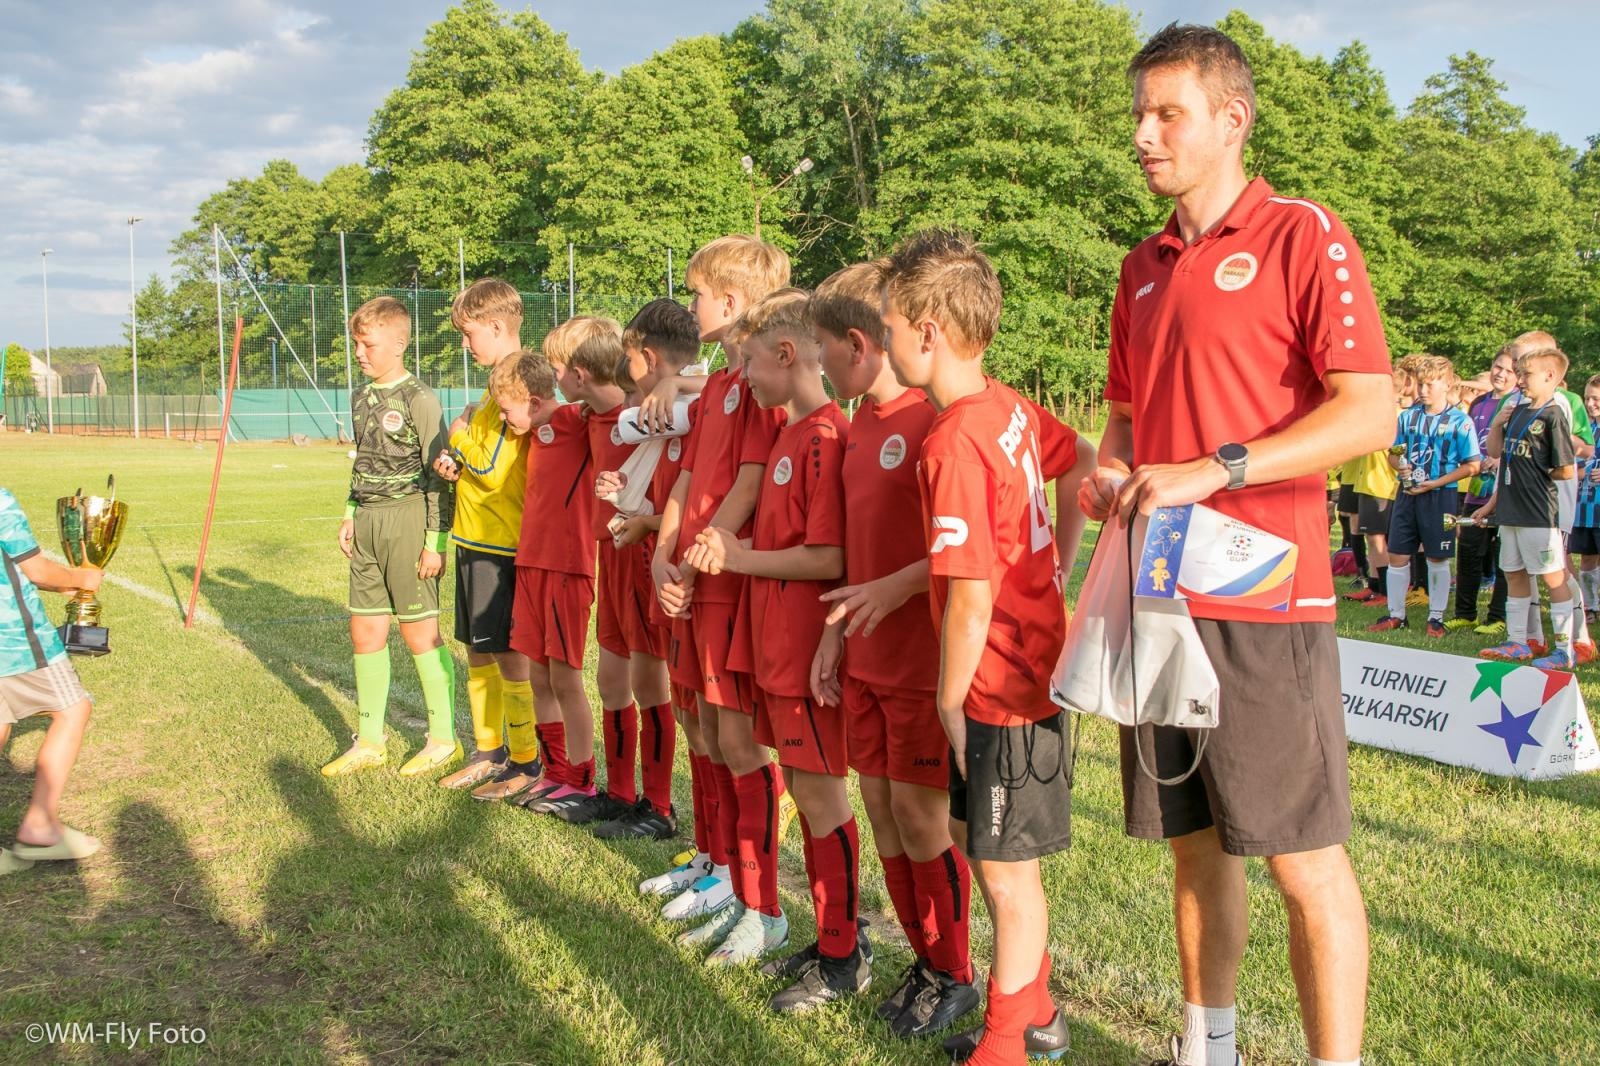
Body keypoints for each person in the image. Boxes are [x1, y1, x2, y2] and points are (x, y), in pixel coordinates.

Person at [1080, 23, 1394, 1066]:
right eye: (1137, 113)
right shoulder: (1140, 266)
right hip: (1159, 593)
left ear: (1231, 117)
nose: (1142, 133)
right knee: (1194, 846)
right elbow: (1124, 421)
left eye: (1165, 112)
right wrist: (1107, 469)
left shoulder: (1304, 234)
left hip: (1266, 594)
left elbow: (1368, 415)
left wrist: (1220, 467)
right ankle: (1204, 1047)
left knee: (1301, 860)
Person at [883, 230, 1095, 1065]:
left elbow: (970, 592)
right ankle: (1035, 1012)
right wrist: (1055, 567)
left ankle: (1006, 1044)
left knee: (1008, 876)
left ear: (928, 331)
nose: (892, 339)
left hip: (1001, 685)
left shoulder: (957, 439)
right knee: (994, 855)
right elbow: (1076, 459)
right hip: (1024, 666)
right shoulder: (1006, 408)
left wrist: (948, 699)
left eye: (893, 324)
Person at [806, 262, 978, 1035]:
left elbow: (961, 547)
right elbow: (853, 553)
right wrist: (832, 635)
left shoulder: (931, 417)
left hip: (917, 660)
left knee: (921, 816)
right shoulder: (857, 427)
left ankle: (957, 971)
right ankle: (923, 958)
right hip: (865, 657)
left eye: (822, 350)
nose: (816, 366)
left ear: (859, 343)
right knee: (880, 810)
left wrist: (894, 592)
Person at [686, 287, 864, 991]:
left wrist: (739, 554)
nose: (745, 376)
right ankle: (827, 941)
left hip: (803, 648)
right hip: (772, 644)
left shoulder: (824, 436)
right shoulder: (790, 432)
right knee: (803, 789)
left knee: (823, 800)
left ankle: (845, 953)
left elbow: (828, 559)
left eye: (752, 362)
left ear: (786, 356)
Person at [651, 235, 794, 934]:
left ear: (732, 302)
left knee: (738, 742)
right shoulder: (717, 385)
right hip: (689, 575)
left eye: (697, 293)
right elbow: (686, 473)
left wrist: (706, 546)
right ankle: (714, 863)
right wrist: (663, 552)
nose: (691, 304)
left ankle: (758, 898)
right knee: (699, 725)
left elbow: (752, 477)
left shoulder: (762, 383)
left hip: (727, 581)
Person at [324, 297, 457, 778]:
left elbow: (441, 475)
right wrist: (350, 512)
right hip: (368, 523)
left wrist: (434, 543)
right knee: (364, 630)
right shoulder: (361, 397)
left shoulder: (419, 399)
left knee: (418, 630)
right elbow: (364, 459)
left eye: (368, 344)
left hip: (407, 520)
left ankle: (443, 738)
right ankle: (371, 741)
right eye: (356, 343)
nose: (360, 352)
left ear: (399, 344)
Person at [492, 321, 618, 809]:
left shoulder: (575, 419)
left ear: (535, 399)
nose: (504, 419)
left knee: (566, 678)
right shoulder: (533, 430)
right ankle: (555, 771)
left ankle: (583, 780)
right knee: (538, 676)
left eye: (508, 410)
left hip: (569, 567)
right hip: (530, 566)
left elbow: (614, 405)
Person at [595, 299, 705, 842]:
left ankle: (662, 807)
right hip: (645, 557)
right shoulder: (662, 410)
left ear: (644, 355)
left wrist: (681, 385)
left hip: (676, 568)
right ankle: (638, 800)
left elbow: (704, 499)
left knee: (686, 703)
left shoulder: (704, 404)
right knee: (672, 698)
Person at [433, 279, 533, 791]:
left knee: (507, 653)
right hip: (472, 538)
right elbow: (481, 457)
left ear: (497, 327)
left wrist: (458, 434)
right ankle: (488, 749)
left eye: (470, 334)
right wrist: (459, 455)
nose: (466, 345)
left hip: (501, 542)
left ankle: (523, 759)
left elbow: (494, 468)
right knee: (476, 648)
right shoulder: (492, 385)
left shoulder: (516, 381)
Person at [0, 488, 103, 874]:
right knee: (73, 708)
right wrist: (80, 578)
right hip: (14, 639)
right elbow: (37, 570)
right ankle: (40, 825)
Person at [1475, 347, 1578, 669]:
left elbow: (1565, 468)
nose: (1519, 380)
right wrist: (1496, 425)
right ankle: (1518, 641)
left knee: (1553, 578)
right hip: (1510, 510)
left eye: (1526, 374)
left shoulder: (1553, 415)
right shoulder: (1516, 411)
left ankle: (1565, 649)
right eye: (1518, 374)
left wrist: (1533, 474)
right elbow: (1497, 453)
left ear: (1550, 376)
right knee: (1514, 573)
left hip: (1538, 514)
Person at [1367, 355, 1480, 637]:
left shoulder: (1460, 421)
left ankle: (1436, 618)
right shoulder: (1408, 417)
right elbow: (1393, 453)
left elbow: (1472, 465)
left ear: (1447, 384)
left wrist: (1436, 482)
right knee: (1397, 553)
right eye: (1421, 383)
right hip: (1407, 494)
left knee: (1438, 557)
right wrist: (1402, 468)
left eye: (1430, 384)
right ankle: (1396, 614)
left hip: (1441, 497)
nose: (1424, 389)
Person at [1447, 348, 1518, 633]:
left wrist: (1500, 458)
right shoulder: (1478, 403)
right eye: (1497, 366)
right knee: (1467, 551)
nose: (1500, 373)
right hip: (1477, 489)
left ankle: (1498, 617)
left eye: (1509, 371)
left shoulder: (1518, 404)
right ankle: (1465, 612)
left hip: (1506, 492)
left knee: (1503, 557)